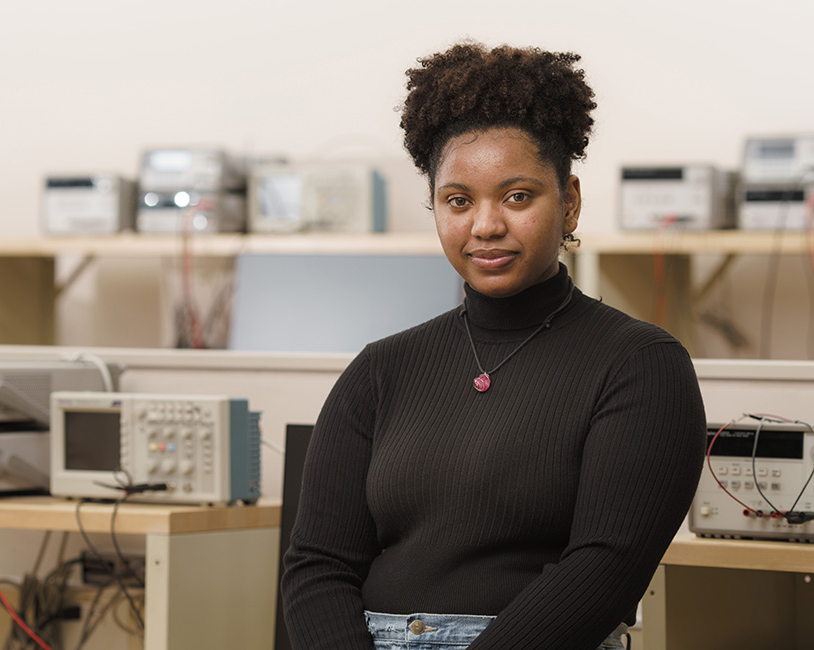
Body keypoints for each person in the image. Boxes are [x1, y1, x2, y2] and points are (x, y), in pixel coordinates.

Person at [280, 40, 706, 650]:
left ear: (570, 203)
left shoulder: (639, 366)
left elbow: (605, 569)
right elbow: (318, 565)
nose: (485, 225)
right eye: (458, 201)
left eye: (517, 196)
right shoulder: (381, 369)